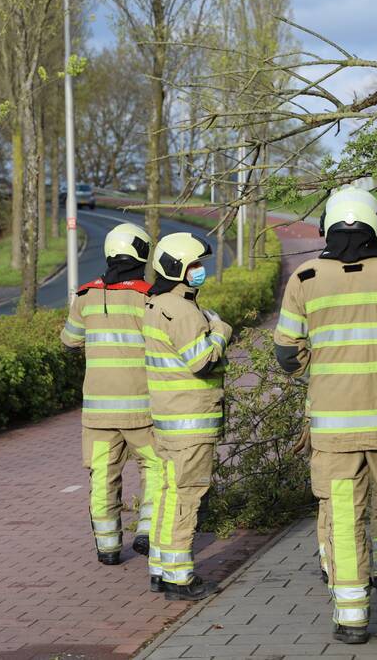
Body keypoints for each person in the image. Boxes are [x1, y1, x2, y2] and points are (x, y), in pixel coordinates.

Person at [273, 187, 377, 644]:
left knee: (344, 521)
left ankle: (352, 620)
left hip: (334, 432)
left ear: (328, 225)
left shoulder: (305, 277)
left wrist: (323, 374)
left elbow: (287, 354)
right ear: (375, 224)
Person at [60, 223, 163, 572]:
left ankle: (108, 548)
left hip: (98, 414)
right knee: (155, 467)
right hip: (143, 410)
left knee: (102, 476)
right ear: (141, 254)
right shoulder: (149, 296)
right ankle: (147, 531)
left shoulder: (85, 296)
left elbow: (70, 341)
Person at [143, 232, 232, 601]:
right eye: (194, 264)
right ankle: (180, 578)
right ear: (177, 268)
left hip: (167, 420)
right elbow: (201, 361)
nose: (200, 270)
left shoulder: (156, 304)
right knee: (187, 496)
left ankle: (161, 567)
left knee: (167, 493)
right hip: (191, 421)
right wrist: (221, 332)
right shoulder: (182, 310)